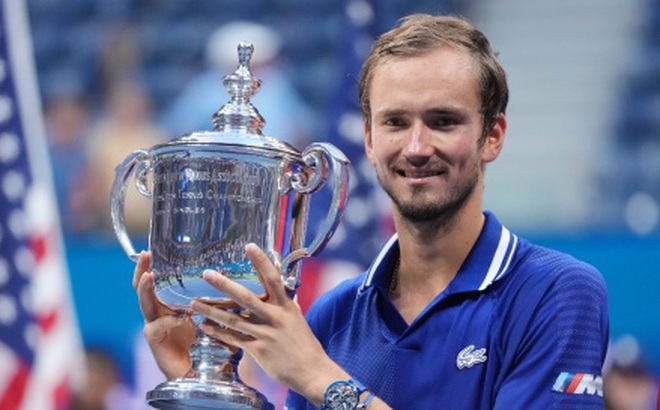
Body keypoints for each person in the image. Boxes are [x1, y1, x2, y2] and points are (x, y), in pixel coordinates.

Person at [133, 14, 609, 409]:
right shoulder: (331, 316)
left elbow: (325, 383)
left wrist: (322, 378)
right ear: (369, 140)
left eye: (443, 121)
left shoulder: (558, 293)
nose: (417, 147)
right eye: (396, 122)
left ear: (493, 136)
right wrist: (200, 380)